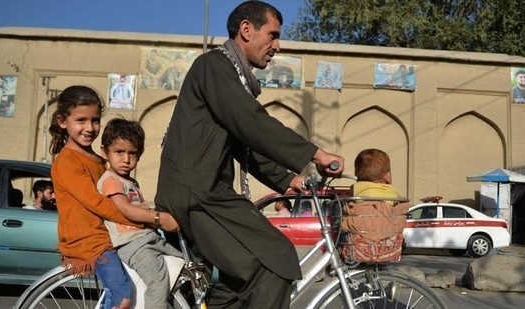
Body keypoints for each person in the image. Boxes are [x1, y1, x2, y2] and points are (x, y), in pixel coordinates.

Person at [154, 1, 345, 308]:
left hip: (204, 191)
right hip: (197, 193)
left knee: (236, 282)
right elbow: (250, 122)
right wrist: (315, 153)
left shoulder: (231, 76)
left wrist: (287, 179)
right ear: (246, 30)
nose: (277, 46)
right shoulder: (214, 66)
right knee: (275, 259)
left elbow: (244, 143)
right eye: (272, 35)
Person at [49, 85, 179, 309]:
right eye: (81, 120)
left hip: (109, 236)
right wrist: (147, 218)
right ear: (63, 121)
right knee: (123, 296)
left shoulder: (98, 159)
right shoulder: (68, 161)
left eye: (95, 120)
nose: (90, 128)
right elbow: (99, 203)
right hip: (91, 242)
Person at [97, 118, 184, 309]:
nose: (126, 160)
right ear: (105, 152)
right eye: (119, 152)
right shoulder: (111, 180)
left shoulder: (130, 182)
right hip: (132, 244)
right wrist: (158, 219)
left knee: (182, 264)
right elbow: (126, 209)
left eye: (132, 153)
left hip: (147, 238)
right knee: (158, 281)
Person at [341, 148, 409, 262]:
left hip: (359, 247)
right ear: (387, 176)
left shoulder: (356, 191)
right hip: (387, 246)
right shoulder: (393, 194)